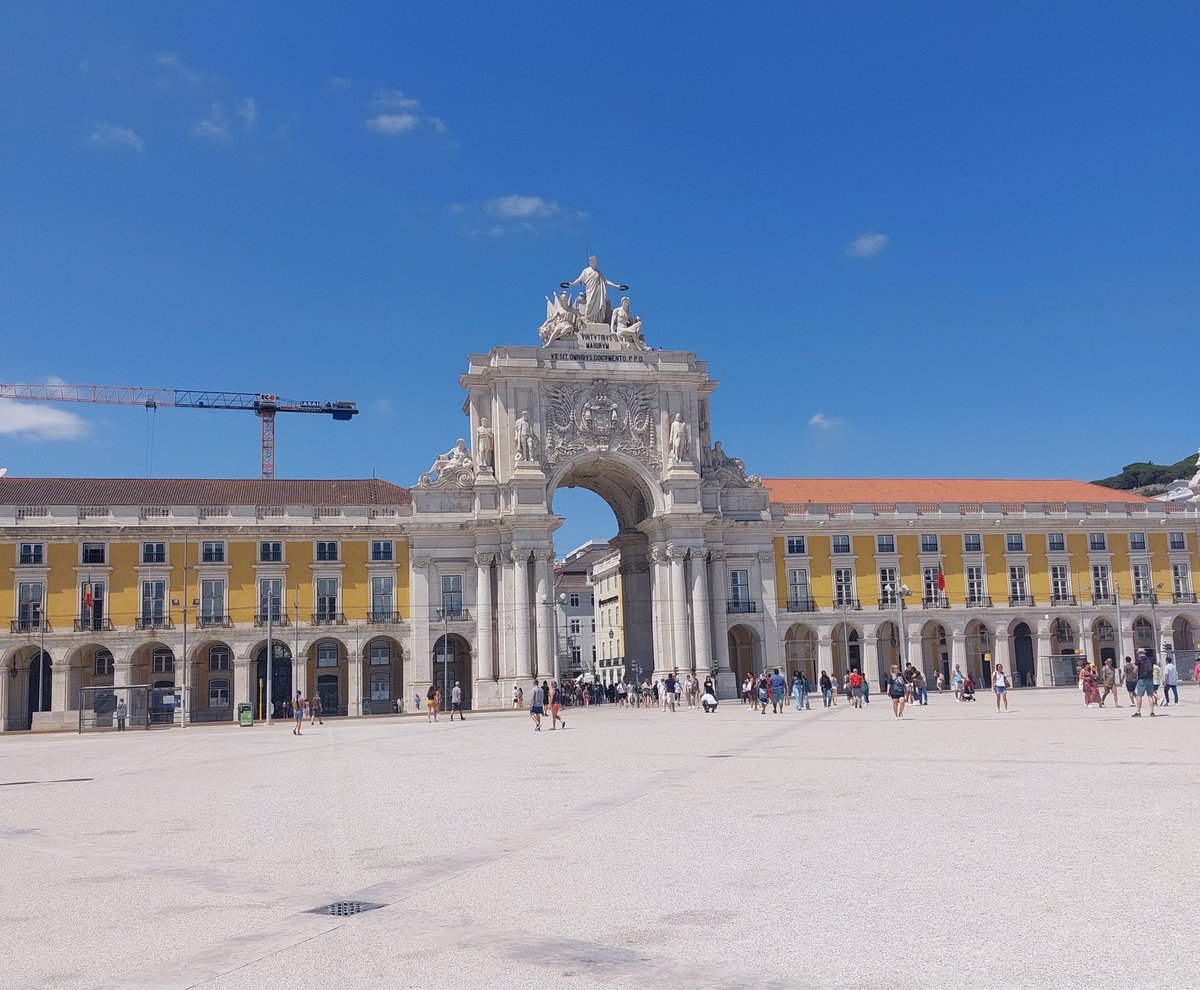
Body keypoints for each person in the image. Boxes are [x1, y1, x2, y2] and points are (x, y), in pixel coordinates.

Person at [565, 255, 626, 323]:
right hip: (590, 291)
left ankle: (597, 320)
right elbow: (579, 280)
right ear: (590, 262)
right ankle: (588, 319)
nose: (594, 263)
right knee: (589, 304)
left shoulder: (599, 272)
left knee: (598, 306)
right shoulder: (586, 271)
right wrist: (572, 284)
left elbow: (606, 281)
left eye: (595, 262)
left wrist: (617, 286)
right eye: (593, 261)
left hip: (598, 292)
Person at [1133, 649, 1157, 717]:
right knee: (1150, 695)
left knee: (1139, 696)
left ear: (1139, 653)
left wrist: (1134, 671)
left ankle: (1138, 712)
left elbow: (1135, 670)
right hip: (1150, 679)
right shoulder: (1150, 659)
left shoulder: (1139, 660)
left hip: (1142, 679)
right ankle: (1152, 712)